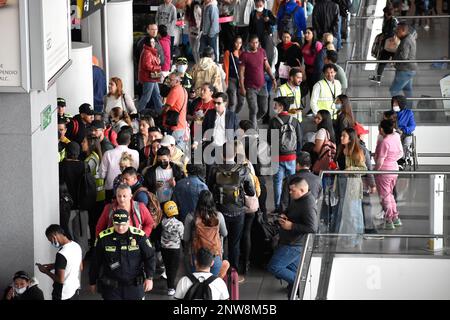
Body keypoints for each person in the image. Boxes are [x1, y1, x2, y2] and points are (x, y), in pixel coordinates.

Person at [207, 142, 255, 277]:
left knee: (220, 242)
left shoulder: (214, 169)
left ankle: (220, 270)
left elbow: (209, 188)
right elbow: (251, 192)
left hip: (219, 211)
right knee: (235, 243)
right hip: (238, 212)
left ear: (221, 154)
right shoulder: (243, 169)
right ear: (235, 154)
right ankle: (233, 272)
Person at [267, 177, 317, 297]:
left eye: (292, 190)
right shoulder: (297, 198)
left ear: (302, 190)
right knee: (294, 271)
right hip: (290, 241)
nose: (290, 192)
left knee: (274, 267)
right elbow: (291, 211)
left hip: (294, 244)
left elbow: (312, 228)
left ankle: (300, 284)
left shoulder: (308, 205)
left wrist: (292, 226)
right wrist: (285, 216)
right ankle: (296, 290)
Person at [89, 209, 155, 300]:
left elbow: (150, 257)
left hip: (134, 286)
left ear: (129, 221)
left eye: (123, 224)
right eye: (117, 224)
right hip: (111, 288)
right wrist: (92, 281)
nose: (120, 227)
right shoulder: (103, 237)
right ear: (112, 221)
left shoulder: (139, 236)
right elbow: (95, 262)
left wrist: (149, 278)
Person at [269, 96, 303, 212]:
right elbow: (299, 139)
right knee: (292, 182)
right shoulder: (294, 121)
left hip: (278, 157)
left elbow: (270, 140)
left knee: (277, 182)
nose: (274, 107)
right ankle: (292, 205)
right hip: (291, 157)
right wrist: (296, 155)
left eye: (276, 105)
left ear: (281, 107)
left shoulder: (274, 121)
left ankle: (279, 207)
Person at [183, 190, 228, 276]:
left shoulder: (191, 217)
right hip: (215, 256)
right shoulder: (218, 216)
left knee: (197, 285)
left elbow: (186, 238)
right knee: (212, 284)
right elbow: (225, 233)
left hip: (197, 258)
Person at [334, 128, 367, 241]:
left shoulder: (356, 151)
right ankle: (345, 237)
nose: (341, 138)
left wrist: (349, 169)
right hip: (341, 182)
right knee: (344, 210)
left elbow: (364, 169)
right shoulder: (341, 149)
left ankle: (355, 238)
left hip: (352, 184)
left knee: (353, 211)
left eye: (344, 136)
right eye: (342, 135)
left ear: (350, 138)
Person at [239, 35, 277, 128]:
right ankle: (253, 133)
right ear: (249, 43)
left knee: (264, 110)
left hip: (262, 86)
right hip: (250, 87)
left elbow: (267, 66)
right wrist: (242, 87)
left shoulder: (262, 52)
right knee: (253, 110)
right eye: (252, 42)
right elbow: (241, 73)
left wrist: (273, 78)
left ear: (258, 43)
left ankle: (252, 122)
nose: (254, 44)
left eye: (256, 42)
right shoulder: (244, 55)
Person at [36, 225, 82, 300]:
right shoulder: (76, 246)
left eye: (50, 240)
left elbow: (60, 280)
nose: (51, 243)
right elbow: (79, 266)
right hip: (74, 290)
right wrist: (54, 265)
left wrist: (46, 271)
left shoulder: (61, 254)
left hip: (63, 294)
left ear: (54, 237)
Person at [374, 119, 404, 230]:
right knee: (389, 194)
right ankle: (395, 217)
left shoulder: (385, 142)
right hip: (394, 169)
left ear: (381, 129)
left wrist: (375, 171)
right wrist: (392, 160)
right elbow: (401, 153)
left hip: (384, 171)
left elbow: (380, 161)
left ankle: (389, 219)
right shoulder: (396, 136)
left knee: (385, 196)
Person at [99, 130, 139, 202]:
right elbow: (135, 170)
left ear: (116, 140)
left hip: (110, 190)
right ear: (129, 141)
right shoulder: (135, 153)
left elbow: (101, 175)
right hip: (130, 189)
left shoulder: (108, 154)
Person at [389, 22, 417, 106]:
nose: (396, 32)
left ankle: (398, 108)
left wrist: (394, 58)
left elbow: (404, 57)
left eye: (398, 31)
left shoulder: (405, 41)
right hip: (410, 69)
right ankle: (408, 109)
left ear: (403, 30)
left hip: (404, 70)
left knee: (393, 90)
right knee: (408, 90)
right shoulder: (410, 37)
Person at [159, 201, 184, 296]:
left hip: (164, 248)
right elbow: (182, 237)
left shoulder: (162, 222)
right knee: (174, 268)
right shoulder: (179, 224)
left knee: (168, 266)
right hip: (175, 249)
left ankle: (169, 281)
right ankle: (171, 288)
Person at [369, 6, 398, 84]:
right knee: (383, 61)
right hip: (388, 45)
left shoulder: (392, 21)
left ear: (386, 13)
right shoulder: (389, 20)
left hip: (391, 45)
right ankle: (378, 78)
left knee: (388, 62)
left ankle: (379, 78)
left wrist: (384, 36)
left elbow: (392, 33)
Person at [162, 72, 189, 152]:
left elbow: (167, 108)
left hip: (174, 126)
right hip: (181, 125)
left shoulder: (175, 91)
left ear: (177, 81)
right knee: (179, 151)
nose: (168, 81)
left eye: (171, 80)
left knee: (172, 151)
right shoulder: (183, 90)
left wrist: (160, 113)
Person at [137, 36, 163, 113]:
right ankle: (139, 112)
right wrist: (157, 67)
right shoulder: (147, 52)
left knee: (157, 95)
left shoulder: (150, 51)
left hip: (152, 78)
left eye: (154, 42)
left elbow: (150, 64)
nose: (153, 43)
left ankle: (160, 112)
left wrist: (157, 62)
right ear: (148, 43)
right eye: (151, 42)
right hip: (149, 78)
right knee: (147, 97)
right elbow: (146, 65)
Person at [391, 95, 416, 168]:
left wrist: (403, 130)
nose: (394, 105)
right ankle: (395, 160)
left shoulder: (409, 112)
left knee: (406, 143)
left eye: (396, 103)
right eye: (393, 103)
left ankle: (401, 160)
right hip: (394, 133)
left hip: (406, 134)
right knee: (394, 140)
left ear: (401, 103)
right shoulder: (391, 113)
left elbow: (412, 126)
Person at [223, 36, 245, 114]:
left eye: (240, 43)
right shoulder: (228, 53)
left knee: (241, 102)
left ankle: (234, 115)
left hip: (241, 81)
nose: (238, 45)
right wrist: (226, 82)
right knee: (232, 101)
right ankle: (230, 119)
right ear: (233, 43)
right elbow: (226, 68)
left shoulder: (243, 53)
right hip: (231, 79)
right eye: (237, 42)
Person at [301, 27, 323, 96]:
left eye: (308, 33)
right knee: (311, 89)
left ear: (313, 34)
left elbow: (320, 59)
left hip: (316, 71)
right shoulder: (305, 44)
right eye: (305, 33)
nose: (306, 35)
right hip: (307, 70)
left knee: (316, 90)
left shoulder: (318, 44)